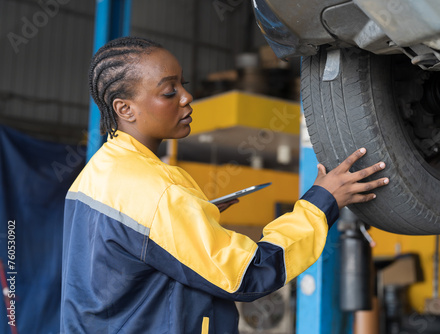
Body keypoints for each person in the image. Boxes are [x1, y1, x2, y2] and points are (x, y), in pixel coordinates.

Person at [60, 36, 389, 333]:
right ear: (124, 109)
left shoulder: (95, 175)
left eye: (183, 85)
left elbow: (127, 258)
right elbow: (250, 274)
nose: (188, 97)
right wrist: (321, 202)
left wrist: (191, 218)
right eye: (169, 91)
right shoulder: (157, 193)